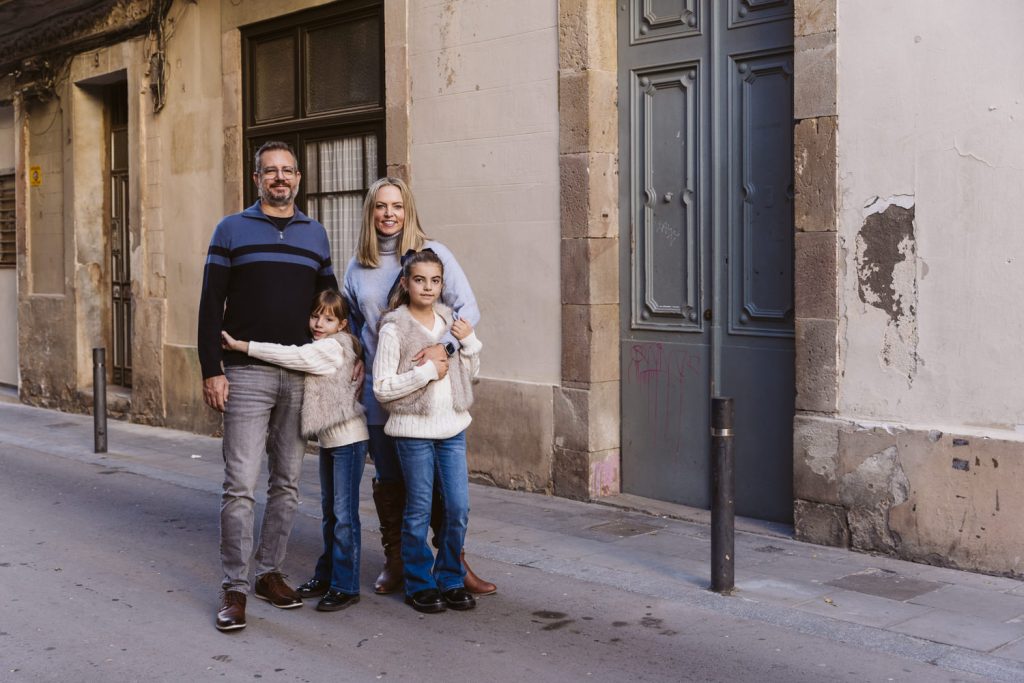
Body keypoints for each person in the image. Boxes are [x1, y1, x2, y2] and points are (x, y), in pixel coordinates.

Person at [198, 140, 337, 632]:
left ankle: (269, 573)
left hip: (298, 374)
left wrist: (348, 356)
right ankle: (234, 587)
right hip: (244, 374)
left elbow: (330, 306)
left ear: (299, 179)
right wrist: (211, 368)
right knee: (239, 486)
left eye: (288, 171)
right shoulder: (231, 229)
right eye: (270, 171)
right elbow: (210, 303)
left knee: (288, 484)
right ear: (256, 178)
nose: (280, 178)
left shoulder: (316, 235)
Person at [341, 177, 496, 597]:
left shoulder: (433, 254)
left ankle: (454, 563)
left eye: (397, 206)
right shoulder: (358, 266)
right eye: (380, 206)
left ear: (408, 211)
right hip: (383, 389)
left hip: (434, 394)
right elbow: (353, 324)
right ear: (370, 212)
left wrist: (440, 350)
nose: (388, 214)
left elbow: (468, 310)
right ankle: (398, 560)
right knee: (392, 480)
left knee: (445, 490)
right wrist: (353, 358)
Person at [220, 289, 367, 613]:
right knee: (331, 514)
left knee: (344, 516)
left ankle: (346, 585)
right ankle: (327, 574)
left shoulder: (329, 348)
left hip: (348, 440)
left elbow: (291, 356)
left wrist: (243, 346)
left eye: (328, 319)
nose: (318, 323)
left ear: (342, 325)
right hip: (332, 441)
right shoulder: (328, 343)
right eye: (315, 316)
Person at [373, 249, 482, 613]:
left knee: (457, 507)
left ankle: (450, 577)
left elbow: (472, 371)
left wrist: (469, 343)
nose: (428, 287)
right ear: (405, 283)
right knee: (418, 508)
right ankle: (420, 582)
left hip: (452, 427)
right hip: (412, 431)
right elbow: (382, 388)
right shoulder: (394, 327)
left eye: (435, 281)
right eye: (420, 280)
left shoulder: (449, 320)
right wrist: (426, 373)